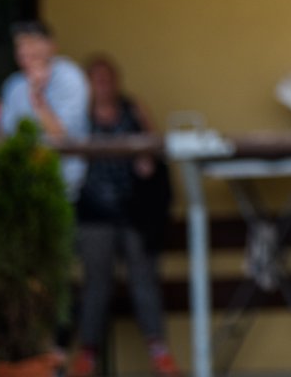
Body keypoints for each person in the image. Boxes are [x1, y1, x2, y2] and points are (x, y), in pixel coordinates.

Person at [69, 56, 179, 376]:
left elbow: (153, 144)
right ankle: (86, 357)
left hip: (132, 211)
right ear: (87, 84)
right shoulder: (80, 115)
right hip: (92, 211)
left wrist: (146, 158)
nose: (104, 84)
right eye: (96, 78)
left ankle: (160, 354)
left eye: (108, 77)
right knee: (96, 285)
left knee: (144, 280)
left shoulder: (132, 108)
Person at [0, 19, 91, 200]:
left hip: (63, 190)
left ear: (51, 46)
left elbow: (60, 135)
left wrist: (38, 99)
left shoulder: (69, 76)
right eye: (20, 45)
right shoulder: (14, 84)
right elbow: (1, 142)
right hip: (19, 187)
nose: (24, 51)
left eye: (31, 43)